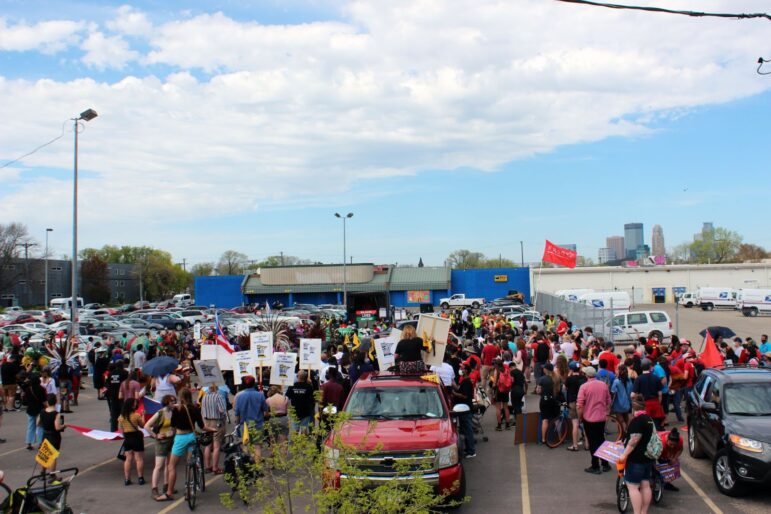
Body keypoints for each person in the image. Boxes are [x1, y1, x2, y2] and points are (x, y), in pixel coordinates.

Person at [157, 388, 207, 502]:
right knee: (190, 462)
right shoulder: (195, 408)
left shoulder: (177, 409)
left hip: (180, 438)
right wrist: (211, 429)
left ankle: (169, 492)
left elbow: (173, 425)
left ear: (181, 397)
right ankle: (190, 488)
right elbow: (202, 426)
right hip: (191, 436)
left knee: (171, 466)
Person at [620, 401, 656, 514]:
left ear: (633, 410)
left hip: (636, 460)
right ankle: (643, 512)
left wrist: (624, 454)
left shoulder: (637, 421)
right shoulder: (649, 419)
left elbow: (634, 441)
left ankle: (637, 512)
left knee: (633, 487)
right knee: (645, 485)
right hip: (648, 458)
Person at [577, 366, 612, 474]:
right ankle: (605, 464)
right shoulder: (603, 385)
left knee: (592, 442)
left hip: (589, 418)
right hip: (601, 417)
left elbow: (580, 405)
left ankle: (595, 465)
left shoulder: (584, 387)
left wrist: (580, 417)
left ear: (586, 375)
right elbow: (608, 401)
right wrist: (606, 413)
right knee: (601, 439)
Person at [234, 376, 270, 461]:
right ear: (254, 384)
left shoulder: (239, 396)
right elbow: (266, 410)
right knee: (257, 446)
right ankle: (257, 469)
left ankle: (248, 466)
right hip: (258, 424)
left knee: (246, 445)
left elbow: (237, 413)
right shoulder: (260, 395)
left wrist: (237, 424)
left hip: (245, 425)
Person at [146, 394, 176, 498]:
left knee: (169, 464)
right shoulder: (160, 413)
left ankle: (166, 485)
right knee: (159, 466)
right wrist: (155, 435)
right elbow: (147, 426)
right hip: (162, 442)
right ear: (166, 402)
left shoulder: (174, 412)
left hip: (172, 441)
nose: (173, 403)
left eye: (174, 401)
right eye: (171, 401)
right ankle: (154, 488)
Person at [118, 397, 146, 486]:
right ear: (131, 405)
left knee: (128, 459)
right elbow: (142, 426)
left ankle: (127, 479)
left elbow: (120, 429)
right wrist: (143, 415)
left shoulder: (121, 417)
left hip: (127, 438)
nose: (136, 404)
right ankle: (140, 478)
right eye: (134, 403)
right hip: (136, 437)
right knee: (139, 459)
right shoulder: (136, 415)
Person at [451, 363, 476, 458]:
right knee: (465, 430)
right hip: (463, 409)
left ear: (466, 371)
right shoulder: (464, 381)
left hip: (465, 409)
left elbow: (464, 395)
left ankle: (471, 451)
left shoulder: (466, 382)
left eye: (462, 368)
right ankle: (468, 449)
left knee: (468, 430)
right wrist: (454, 385)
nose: (461, 370)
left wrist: (454, 393)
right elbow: (459, 389)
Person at [201, 383, 226, 474]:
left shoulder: (204, 397)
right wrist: (224, 417)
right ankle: (215, 468)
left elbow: (202, 412)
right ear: (216, 388)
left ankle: (207, 466)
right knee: (216, 446)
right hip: (217, 422)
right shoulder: (218, 396)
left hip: (207, 422)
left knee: (208, 445)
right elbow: (221, 410)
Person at [632, 360, 664, 430]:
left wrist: (635, 403)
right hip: (655, 403)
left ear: (641, 367)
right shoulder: (656, 378)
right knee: (656, 426)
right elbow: (660, 394)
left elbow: (632, 395)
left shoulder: (638, 379)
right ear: (650, 367)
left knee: (646, 427)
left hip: (644, 405)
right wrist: (659, 402)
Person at [38, 393, 65, 472]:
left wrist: (44, 424)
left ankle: (43, 472)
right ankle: (52, 475)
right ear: (55, 402)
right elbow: (57, 427)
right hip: (54, 436)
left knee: (45, 454)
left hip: (45, 434)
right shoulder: (56, 414)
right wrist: (64, 426)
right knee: (53, 456)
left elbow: (37, 423)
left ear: (47, 402)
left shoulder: (42, 411)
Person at [565, 361, 587, 451]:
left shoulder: (569, 379)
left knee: (575, 423)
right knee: (585, 424)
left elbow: (565, 388)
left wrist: (569, 375)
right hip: (583, 402)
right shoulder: (584, 378)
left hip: (573, 402)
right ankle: (587, 444)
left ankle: (575, 445)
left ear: (570, 369)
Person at [536, 363, 560, 444]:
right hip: (555, 401)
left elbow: (538, 391)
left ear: (546, 370)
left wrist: (541, 391)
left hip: (545, 401)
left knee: (545, 420)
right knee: (556, 420)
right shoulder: (557, 378)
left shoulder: (542, 379)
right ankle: (560, 437)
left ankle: (543, 439)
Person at [286, 371, 316, 436]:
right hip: (305, 412)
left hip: (295, 412)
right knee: (304, 431)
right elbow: (313, 399)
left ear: (298, 377)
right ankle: (303, 444)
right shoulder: (309, 387)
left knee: (294, 431)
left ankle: (295, 444)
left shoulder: (292, 386)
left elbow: (287, 398)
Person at [23, 374, 46, 451]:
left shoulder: (28, 389)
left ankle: (29, 443)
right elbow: (44, 401)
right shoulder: (42, 389)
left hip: (30, 409)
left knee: (31, 426)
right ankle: (40, 443)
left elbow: (25, 400)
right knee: (40, 426)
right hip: (40, 410)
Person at [611, 364, 633, 437]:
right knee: (626, 417)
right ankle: (629, 431)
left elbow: (613, 392)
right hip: (627, 403)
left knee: (620, 420)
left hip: (618, 404)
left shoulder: (616, 381)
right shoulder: (629, 380)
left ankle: (622, 434)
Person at [658, 428, 683, 492]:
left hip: (666, 453)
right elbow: (654, 456)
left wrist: (674, 458)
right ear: (667, 440)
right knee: (658, 467)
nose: (672, 446)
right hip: (657, 452)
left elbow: (680, 449)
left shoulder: (680, 440)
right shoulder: (660, 443)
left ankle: (666, 483)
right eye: (671, 444)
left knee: (672, 466)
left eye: (674, 445)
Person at [492, 359, 512, 431]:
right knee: (506, 407)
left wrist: (493, 388)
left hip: (498, 390)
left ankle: (499, 425)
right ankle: (507, 424)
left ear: (496, 365)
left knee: (498, 408)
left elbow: (494, 383)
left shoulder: (496, 371)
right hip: (505, 390)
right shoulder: (506, 370)